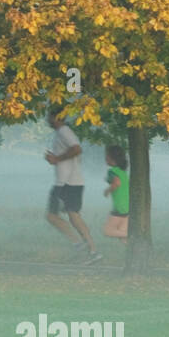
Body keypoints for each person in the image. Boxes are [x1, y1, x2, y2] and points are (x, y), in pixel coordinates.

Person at [44, 107, 100, 264]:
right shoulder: (62, 132)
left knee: (52, 216)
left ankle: (79, 244)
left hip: (66, 183)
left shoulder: (63, 131)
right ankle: (93, 251)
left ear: (56, 117)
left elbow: (77, 149)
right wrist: (55, 158)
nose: (47, 119)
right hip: (72, 181)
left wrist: (56, 159)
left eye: (49, 115)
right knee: (74, 217)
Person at [102, 145, 129, 241]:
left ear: (112, 158)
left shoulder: (112, 171)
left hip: (119, 207)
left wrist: (107, 191)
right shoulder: (122, 172)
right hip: (127, 207)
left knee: (108, 231)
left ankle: (129, 234)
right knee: (122, 238)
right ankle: (138, 254)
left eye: (106, 155)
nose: (105, 157)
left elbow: (117, 183)